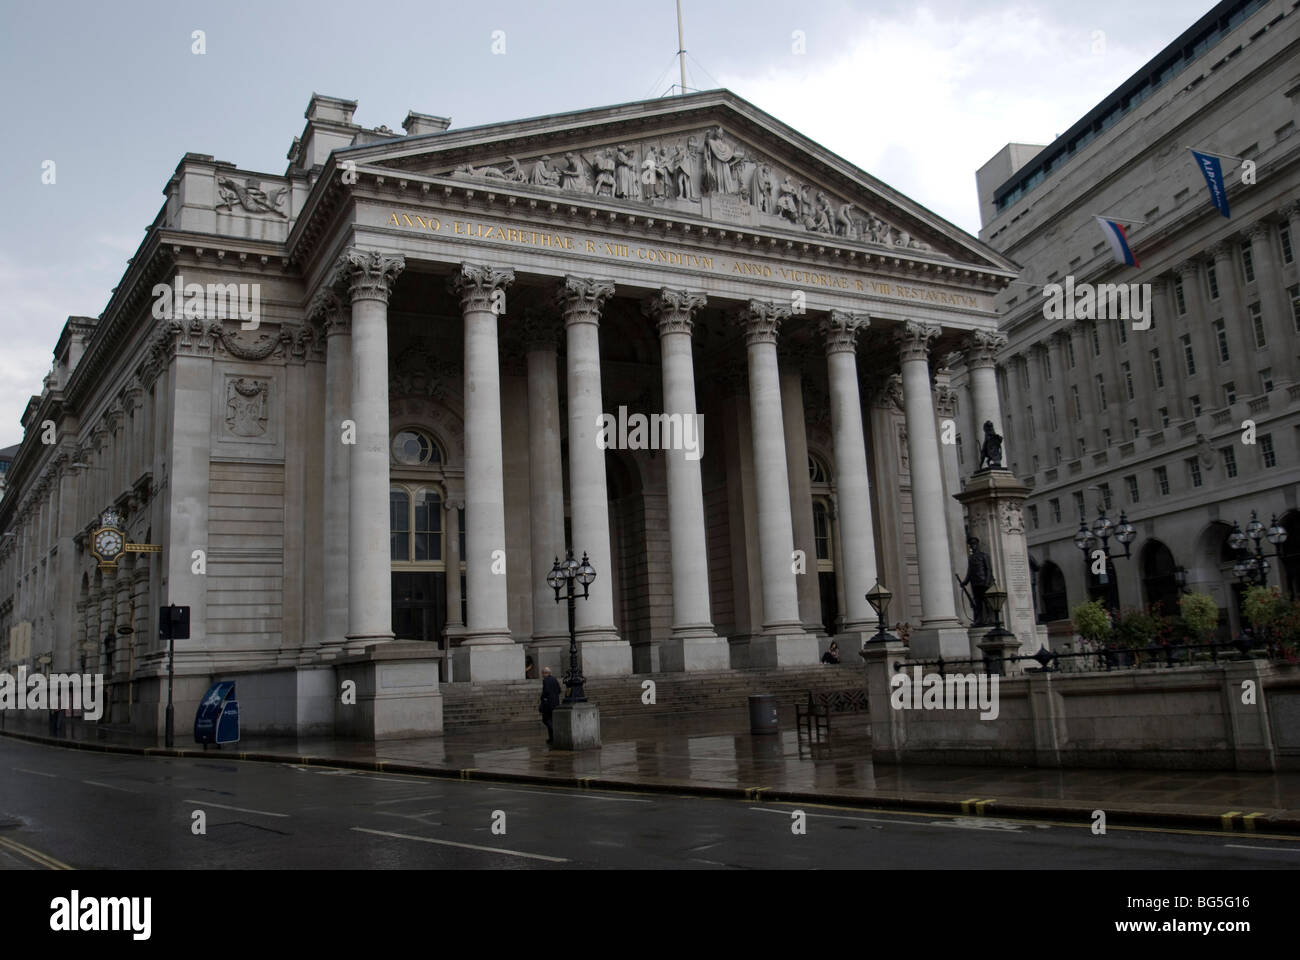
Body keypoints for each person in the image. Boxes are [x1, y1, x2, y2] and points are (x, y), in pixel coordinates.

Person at [959, 536, 994, 626]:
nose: (972, 546)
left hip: (983, 582)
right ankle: (979, 619)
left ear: (977, 545)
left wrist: (987, 582)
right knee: (977, 603)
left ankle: (989, 619)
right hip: (975, 583)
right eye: (971, 545)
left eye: (974, 544)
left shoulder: (984, 556)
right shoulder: (971, 558)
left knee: (987, 602)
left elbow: (989, 569)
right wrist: (965, 582)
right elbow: (970, 572)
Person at [538, 666, 562, 744]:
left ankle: (554, 733)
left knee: (546, 720)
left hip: (548, 704)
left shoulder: (546, 680)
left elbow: (546, 691)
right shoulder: (554, 679)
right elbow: (559, 690)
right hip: (555, 703)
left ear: (545, 673)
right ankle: (551, 738)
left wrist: (542, 698)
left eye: (542, 673)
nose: (542, 675)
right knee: (551, 720)